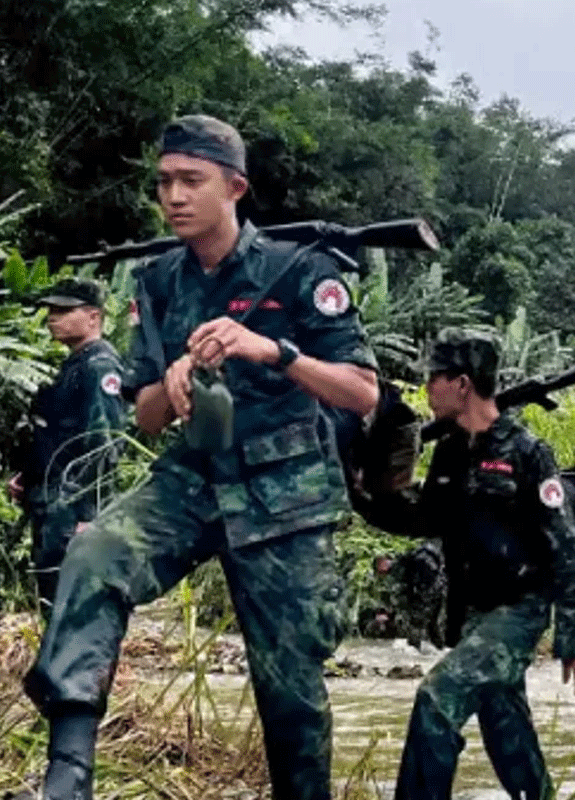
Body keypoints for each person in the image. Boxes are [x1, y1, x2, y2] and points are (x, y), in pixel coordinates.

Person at [22, 114, 380, 800]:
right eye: (164, 183)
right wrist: (173, 381)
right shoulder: (157, 283)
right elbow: (146, 414)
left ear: (235, 187)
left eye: (192, 181)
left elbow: (363, 391)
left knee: (290, 693)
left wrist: (272, 350)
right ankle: (68, 776)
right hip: (192, 478)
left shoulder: (301, 272)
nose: (174, 197)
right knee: (95, 555)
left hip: (287, 496)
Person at [393, 329, 575, 800]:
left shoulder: (527, 453)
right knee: (507, 732)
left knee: (436, 701)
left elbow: (567, 550)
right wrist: (372, 488)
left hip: (519, 610)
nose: (427, 388)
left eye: (434, 378)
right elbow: (423, 520)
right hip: (474, 613)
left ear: (462, 384)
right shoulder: (449, 451)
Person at [6, 278, 126, 617]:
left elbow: (104, 443)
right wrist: (27, 476)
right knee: (51, 594)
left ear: (93, 316)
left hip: (72, 504)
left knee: (70, 600)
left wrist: (91, 515)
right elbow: (58, 434)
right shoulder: (75, 364)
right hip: (51, 496)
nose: (52, 318)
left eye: (63, 311)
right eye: (51, 310)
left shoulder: (98, 366)